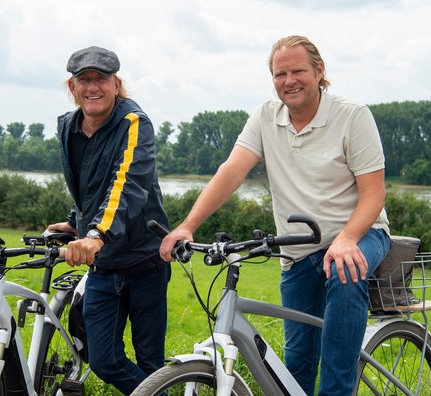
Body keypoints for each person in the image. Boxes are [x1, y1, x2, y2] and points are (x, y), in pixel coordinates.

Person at [159, 35, 391, 396]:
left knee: (344, 285)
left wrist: (346, 239)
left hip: (360, 234)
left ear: (319, 71)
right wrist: (188, 225)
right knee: (296, 363)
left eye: (298, 70)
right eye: (280, 73)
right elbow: (231, 171)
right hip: (298, 247)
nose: (289, 80)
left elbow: (374, 194)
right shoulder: (266, 116)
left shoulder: (352, 115)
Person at [48, 45, 171, 395]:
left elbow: (128, 183)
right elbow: (87, 184)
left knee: (151, 364)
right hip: (104, 265)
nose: (92, 87)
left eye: (100, 79)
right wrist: (77, 221)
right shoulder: (68, 127)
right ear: (72, 88)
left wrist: (96, 233)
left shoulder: (134, 122)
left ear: (116, 84)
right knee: (104, 361)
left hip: (145, 259)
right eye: (83, 80)